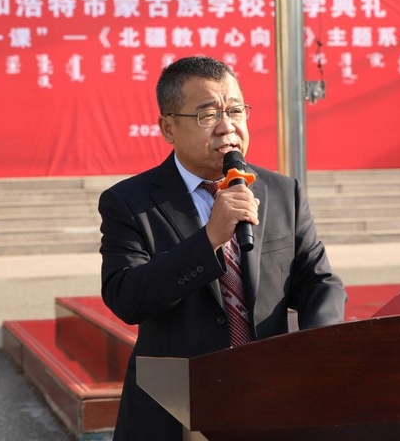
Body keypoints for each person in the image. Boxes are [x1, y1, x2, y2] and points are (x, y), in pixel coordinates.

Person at [98, 55, 347, 440]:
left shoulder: (282, 192)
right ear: (168, 127)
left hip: (271, 400)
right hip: (176, 409)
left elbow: (319, 281)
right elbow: (126, 297)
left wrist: (319, 349)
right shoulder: (130, 202)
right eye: (208, 115)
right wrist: (210, 238)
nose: (227, 127)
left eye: (235, 110)